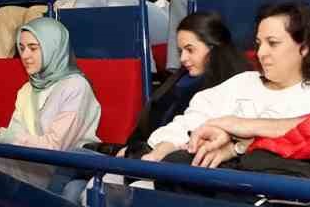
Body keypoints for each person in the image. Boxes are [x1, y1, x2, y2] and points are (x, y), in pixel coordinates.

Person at [146, 1, 310, 167]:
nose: (261, 53)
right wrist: (167, 144)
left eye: (273, 43)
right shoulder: (244, 81)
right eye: (259, 44)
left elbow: (287, 141)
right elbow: (193, 118)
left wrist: (234, 144)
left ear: (305, 48)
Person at [0, 18, 101, 189]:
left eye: (33, 48)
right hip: (32, 163)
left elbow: (55, 147)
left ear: (53, 48)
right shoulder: (26, 89)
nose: (24, 56)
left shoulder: (76, 86)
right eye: (22, 48)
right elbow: (15, 137)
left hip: (65, 170)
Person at [108, 12, 252, 160]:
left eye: (190, 50)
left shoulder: (232, 87)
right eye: (180, 51)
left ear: (213, 47)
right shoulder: (178, 80)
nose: (183, 58)